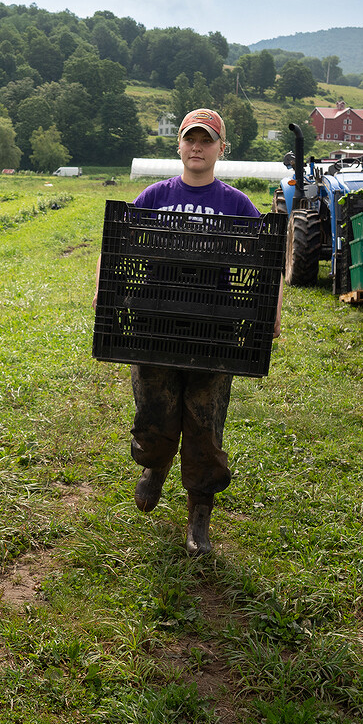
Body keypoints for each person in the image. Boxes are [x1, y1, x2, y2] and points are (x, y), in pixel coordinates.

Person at [125, 108, 261, 556]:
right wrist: (102, 295)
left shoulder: (236, 203)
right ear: (179, 146)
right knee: (155, 410)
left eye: (207, 140)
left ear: (222, 148)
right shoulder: (155, 195)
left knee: (205, 423)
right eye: (190, 139)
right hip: (155, 326)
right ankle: (155, 468)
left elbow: (268, 255)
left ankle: (199, 514)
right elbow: (120, 246)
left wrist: (271, 311)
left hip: (213, 330)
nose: (197, 147)